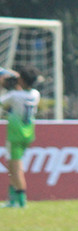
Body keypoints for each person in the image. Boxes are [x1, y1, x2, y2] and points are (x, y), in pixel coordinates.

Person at [0, 65, 40, 209]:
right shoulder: (35, 94)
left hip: (15, 135)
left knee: (15, 169)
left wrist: (4, 83)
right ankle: (12, 200)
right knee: (13, 166)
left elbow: (3, 102)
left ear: (21, 80)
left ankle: (21, 201)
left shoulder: (14, 95)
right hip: (27, 133)